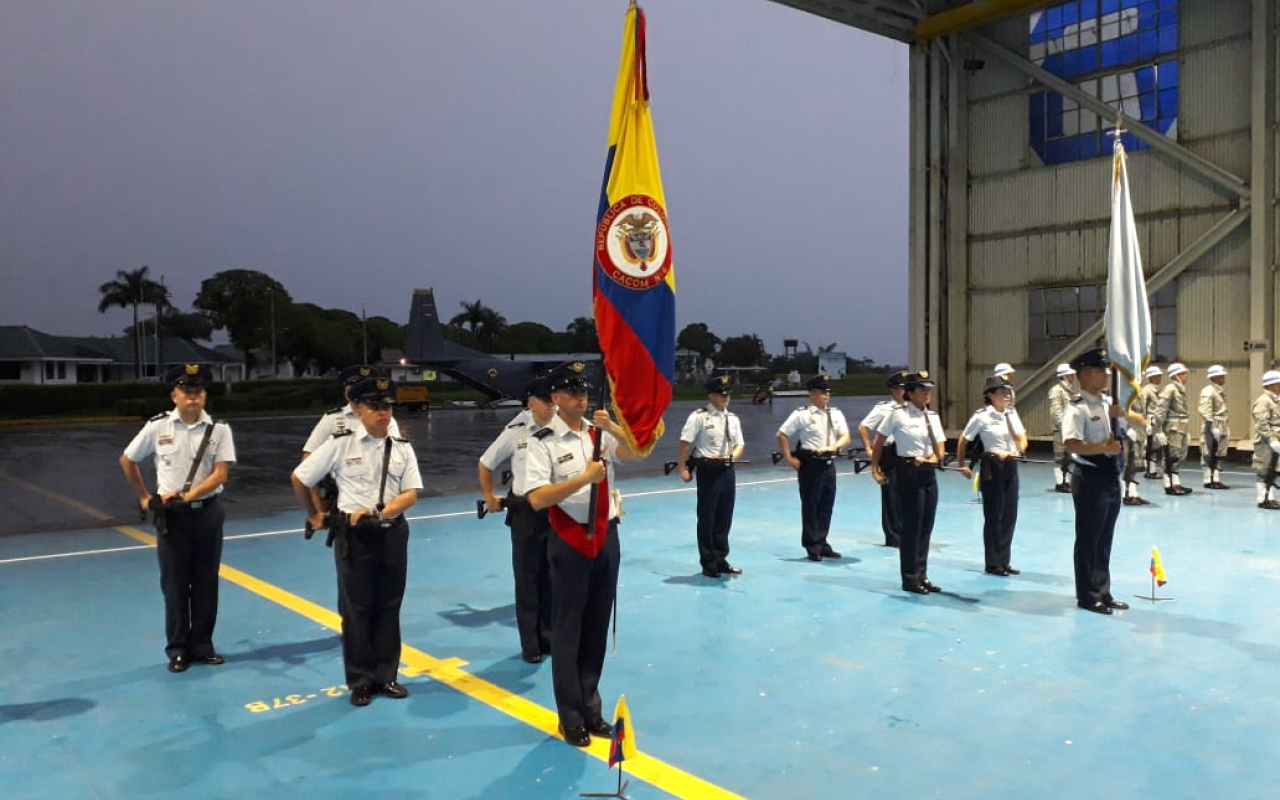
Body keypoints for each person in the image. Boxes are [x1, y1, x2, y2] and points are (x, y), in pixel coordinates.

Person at [525, 361, 645, 748]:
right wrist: (582, 479)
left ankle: (592, 710)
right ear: (555, 398)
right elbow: (538, 498)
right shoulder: (542, 442)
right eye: (572, 390)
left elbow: (634, 453)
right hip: (570, 539)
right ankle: (570, 716)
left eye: (585, 389)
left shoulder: (598, 434)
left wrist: (614, 429)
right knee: (568, 631)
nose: (581, 395)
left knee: (595, 626)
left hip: (606, 536)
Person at [291, 376, 422, 707]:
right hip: (355, 537)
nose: (384, 413)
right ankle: (361, 680)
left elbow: (411, 492)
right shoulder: (340, 444)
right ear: (358, 410)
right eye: (375, 407)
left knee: (389, 605)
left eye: (388, 406)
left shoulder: (402, 447)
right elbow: (300, 476)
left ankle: (386, 675)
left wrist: (383, 510)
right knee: (357, 608)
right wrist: (316, 514)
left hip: (392, 532)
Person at [119, 364, 236, 673]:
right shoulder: (158, 427)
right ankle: (178, 649)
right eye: (187, 390)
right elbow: (128, 459)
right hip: (173, 518)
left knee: (206, 582)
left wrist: (189, 494)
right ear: (174, 395)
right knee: (175, 584)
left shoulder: (219, 429)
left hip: (208, 512)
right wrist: (144, 496)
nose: (193, 396)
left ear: (205, 395)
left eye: (198, 391)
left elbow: (221, 473)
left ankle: (202, 645)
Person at [478, 377, 557, 663]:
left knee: (553, 578)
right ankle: (531, 644)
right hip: (526, 514)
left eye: (553, 398)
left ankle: (549, 637)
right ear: (530, 402)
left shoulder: (564, 425)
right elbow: (486, 463)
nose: (551, 403)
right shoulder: (517, 430)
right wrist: (489, 496)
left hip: (558, 511)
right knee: (528, 580)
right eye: (545, 399)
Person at [1062, 348, 1142, 615]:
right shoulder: (1078, 408)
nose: (1106, 375)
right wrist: (1104, 449)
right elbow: (1071, 444)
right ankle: (1087, 595)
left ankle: (1103, 591)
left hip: (1109, 474)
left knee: (1105, 537)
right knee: (1089, 538)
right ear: (1084, 374)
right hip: (1090, 476)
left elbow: (1134, 418)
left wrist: (1131, 416)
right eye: (1100, 370)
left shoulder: (1107, 404)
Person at [870, 371, 946, 594]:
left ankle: (922, 574)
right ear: (910, 393)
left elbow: (940, 447)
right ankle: (910, 577)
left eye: (928, 390)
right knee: (911, 527)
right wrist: (875, 469)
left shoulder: (932, 417)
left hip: (927, 473)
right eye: (922, 389)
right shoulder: (897, 415)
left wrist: (933, 458)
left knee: (925, 527)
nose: (927, 393)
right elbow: (879, 442)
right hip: (908, 471)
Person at [301, 365, 400, 511]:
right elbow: (308, 461)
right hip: (343, 497)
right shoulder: (332, 419)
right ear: (346, 392)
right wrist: (317, 505)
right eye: (357, 386)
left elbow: (396, 456)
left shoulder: (386, 420)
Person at [776, 375, 852, 561]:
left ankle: (822, 541)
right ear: (812, 394)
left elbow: (846, 436)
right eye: (821, 392)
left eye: (827, 392)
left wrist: (834, 447)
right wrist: (789, 457)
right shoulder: (802, 414)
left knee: (827, 505)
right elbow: (782, 434)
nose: (826, 395)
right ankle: (812, 545)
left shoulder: (835, 413)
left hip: (828, 462)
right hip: (811, 463)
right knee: (811, 505)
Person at [957, 376, 1028, 576]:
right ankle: (993, 562)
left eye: (1007, 391)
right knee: (994, 515)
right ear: (989, 395)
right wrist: (962, 465)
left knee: (1009, 515)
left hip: (1010, 464)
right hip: (992, 465)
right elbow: (964, 439)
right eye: (1001, 392)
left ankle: (1004, 560)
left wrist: (1018, 450)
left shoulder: (1011, 413)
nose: (1006, 395)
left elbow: (1022, 437)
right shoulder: (981, 416)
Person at [676, 374, 745, 578]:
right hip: (708, 470)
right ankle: (708, 562)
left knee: (725, 516)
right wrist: (682, 468)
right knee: (707, 516)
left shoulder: (732, 419)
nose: (725, 398)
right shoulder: (699, 416)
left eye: (727, 395)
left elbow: (740, 444)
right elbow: (685, 443)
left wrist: (733, 456)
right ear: (711, 395)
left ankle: (721, 558)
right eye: (721, 394)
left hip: (727, 469)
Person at [858, 371, 908, 547]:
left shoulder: (912, 407)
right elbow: (864, 427)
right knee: (891, 495)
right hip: (889, 452)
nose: (904, 391)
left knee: (905, 494)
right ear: (894, 390)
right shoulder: (883, 408)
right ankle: (893, 535)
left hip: (906, 453)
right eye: (901, 388)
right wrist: (869, 449)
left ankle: (905, 532)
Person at [1152, 362, 1193, 495]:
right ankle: (1168, 485)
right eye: (1183, 373)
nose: (1186, 376)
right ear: (1176, 375)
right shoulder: (1170, 389)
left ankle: (1176, 482)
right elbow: (1160, 411)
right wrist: (1158, 430)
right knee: (1171, 456)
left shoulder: (1180, 389)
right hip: (1173, 427)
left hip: (1182, 426)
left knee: (1180, 455)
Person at [1251, 370, 1280, 510]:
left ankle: (1271, 497)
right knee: (1264, 469)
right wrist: (1271, 439)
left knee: (1273, 469)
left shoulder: (1275, 399)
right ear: (1271, 384)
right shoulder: (1263, 401)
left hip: (1275, 439)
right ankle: (1263, 498)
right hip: (1265, 442)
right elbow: (1261, 423)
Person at [1199, 364, 1231, 489]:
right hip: (1213, 424)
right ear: (1214, 377)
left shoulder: (1218, 390)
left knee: (1219, 453)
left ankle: (1216, 478)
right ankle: (1208, 479)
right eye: (1221, 376)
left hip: (1222, 424)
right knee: (1208, 452)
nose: (1223, 378)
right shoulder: (1208, 391)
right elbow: (1205, 409)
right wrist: (1211, 426)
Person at [1048, 363, 1078, 492]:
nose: (1073, 377)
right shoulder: (1057, 390)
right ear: (1065, 375)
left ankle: (1066, 480)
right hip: (1061, 429)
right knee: (1060, 456)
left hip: (1069, 429)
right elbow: (1056, 411)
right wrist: (1063, 427)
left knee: (1068, 456)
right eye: (1071, 374)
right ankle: (1060, 482)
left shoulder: (1069, 390)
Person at [1138, 365, 1165, 478]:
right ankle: (1149, 471)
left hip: (1157, 422)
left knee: (1155, 446)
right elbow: (1142, 407)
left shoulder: (1157, 390)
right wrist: (1146, 423)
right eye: (1157, 376)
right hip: (1150, 421)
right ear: (1151, 377)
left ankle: (1152, 470)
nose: (1159, 378)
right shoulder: (1146, 390)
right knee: (1149, 446)